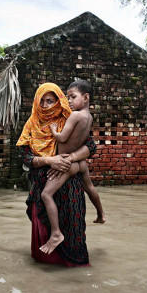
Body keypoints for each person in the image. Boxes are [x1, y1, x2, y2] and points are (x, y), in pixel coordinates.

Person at [17, 82, 96, 267]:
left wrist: (68, 158)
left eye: (50, 101)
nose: (45, 106)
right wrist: (49, 160)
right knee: (44, 253)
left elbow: (91, 146)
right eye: (42, 101)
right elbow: (26, 157)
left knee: (73, 233)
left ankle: (75, 273)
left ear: (58, 101)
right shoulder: (31, 124)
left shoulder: (68, 118)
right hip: (42, 186)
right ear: (36, 102)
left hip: (70, 189)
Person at [39, 80, 106, 255]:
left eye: (72, 97)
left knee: (46, 194)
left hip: (67, 164)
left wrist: (54, 131)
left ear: (86, 98)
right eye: (67, 97)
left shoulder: (75, 116)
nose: (68, 101)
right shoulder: (89, 117)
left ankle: (55, 234)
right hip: (79, 163)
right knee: (89, 186)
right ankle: (101, 214)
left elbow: (62, 138)